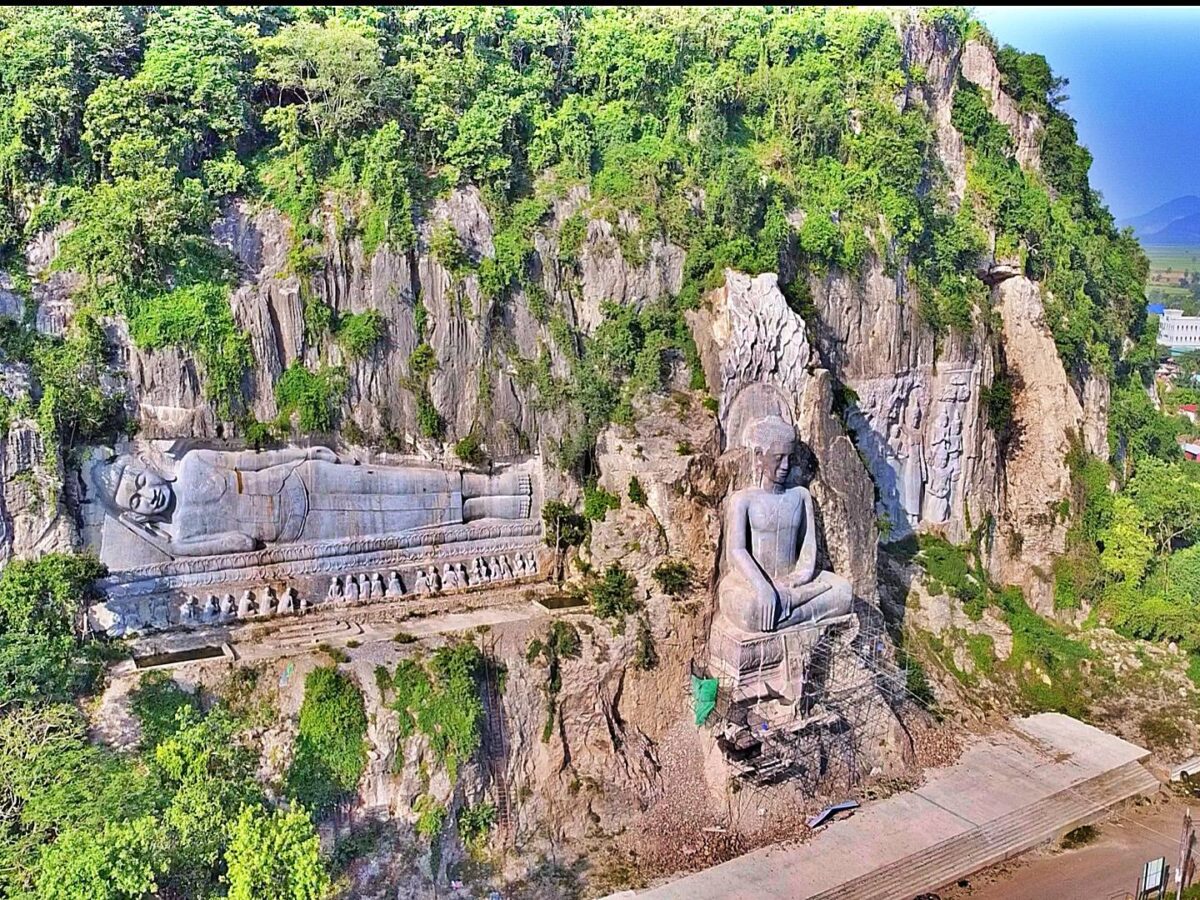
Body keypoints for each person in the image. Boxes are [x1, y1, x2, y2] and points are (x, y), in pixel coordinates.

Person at [87, 446, 532, 558]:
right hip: (300, 529)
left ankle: (494, 484)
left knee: (400, 482)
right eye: (137, 501)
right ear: (135, 516)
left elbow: (254, 459)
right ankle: (495, 509)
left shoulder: (195, 463)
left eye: (140, 481)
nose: (148, 494)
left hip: (303, 477)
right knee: (406, 519)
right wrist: (170, 544)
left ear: (144, 466)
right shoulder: (184, 534)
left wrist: (303, 453)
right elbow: (243, 546)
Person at [718, 415, 852, 632]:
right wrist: (763, 587)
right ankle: (790, 611)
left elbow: (808, 547)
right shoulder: (743, 500)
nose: (785, 465)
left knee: (843, 592)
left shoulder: (800, 496)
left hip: (793, 582)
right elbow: (737, 551)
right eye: (778, 458)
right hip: (752, 583)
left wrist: (799, 578)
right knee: (751, 610)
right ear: (760, 457)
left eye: (790, 457)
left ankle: (784, 613)